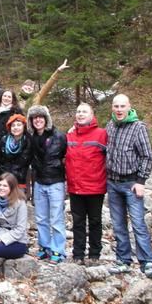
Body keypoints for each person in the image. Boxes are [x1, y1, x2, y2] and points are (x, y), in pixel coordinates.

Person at [106, 94, 152, 278]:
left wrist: (141, 181)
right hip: (113, 183)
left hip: (132, 183)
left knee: (138, 224)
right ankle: (123, 260)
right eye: (116, 106)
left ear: (129, 107)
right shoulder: (110, 126)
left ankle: (148, 262)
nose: (119, 109)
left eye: (122, 106)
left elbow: (147, 156)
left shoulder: (138, 127)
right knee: (118, 224)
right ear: (112, 107)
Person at [65, 103, 107, 265]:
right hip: (75, 187)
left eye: (84, 112)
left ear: (92, 115)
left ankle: (95, 253)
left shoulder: (101, 134)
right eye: (78, 112)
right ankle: (78, 254)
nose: (80, 114)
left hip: (95, 186)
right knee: (78, 222)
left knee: (95, 221)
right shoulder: (70, 135)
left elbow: (111, 158)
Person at [27, 105, 67, 264]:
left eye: (40, 117)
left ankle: (58, 250)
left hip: (55, 181)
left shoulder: (59, 136)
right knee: (41, 218)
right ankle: (44, 247)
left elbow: (66, 156)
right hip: (39, 182)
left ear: (46, 119)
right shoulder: (31, 138)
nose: (38, 120)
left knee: (56, 218)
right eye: (34, 118)